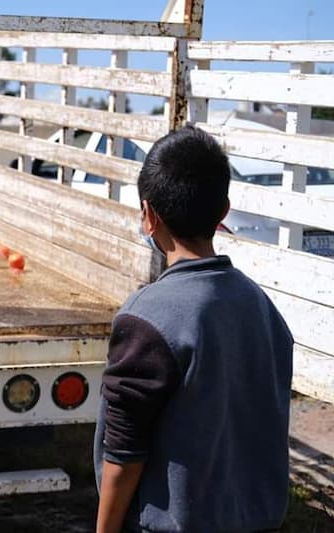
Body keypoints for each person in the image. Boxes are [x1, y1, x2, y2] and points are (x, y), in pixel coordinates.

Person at [93, 126, 294, 532]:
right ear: (224, 210)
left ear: (149, 217)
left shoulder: (147, 316)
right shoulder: (262, 306)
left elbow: (124, 454)